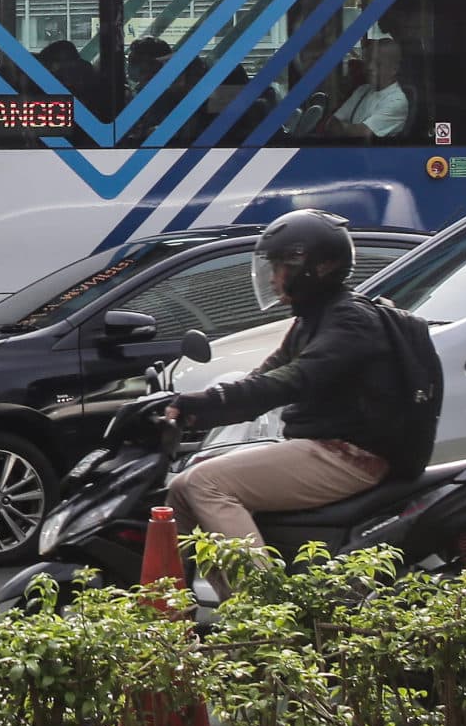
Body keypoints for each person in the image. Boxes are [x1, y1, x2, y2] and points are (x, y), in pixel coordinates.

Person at [144, 211, 434, 578]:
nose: (272, 277)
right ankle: (173, 615)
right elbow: (262, 379)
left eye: (281, 265)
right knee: (183, 488)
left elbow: (291, 381)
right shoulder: (312, 320)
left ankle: (263, 611)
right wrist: (189, 409)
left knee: (206, 483)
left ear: (318, 268)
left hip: (350, 456)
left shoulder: (350, 321)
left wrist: (205, 404)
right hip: (323, 448)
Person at [311, 34, 410, 141]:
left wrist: (344, 127)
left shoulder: (397, 101)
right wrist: (349, 128)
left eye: (378, 64)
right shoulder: (362, 90)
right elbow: (331, 123)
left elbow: (362, 134)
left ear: (394, 69)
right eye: (369, 61)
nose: (370, 67)